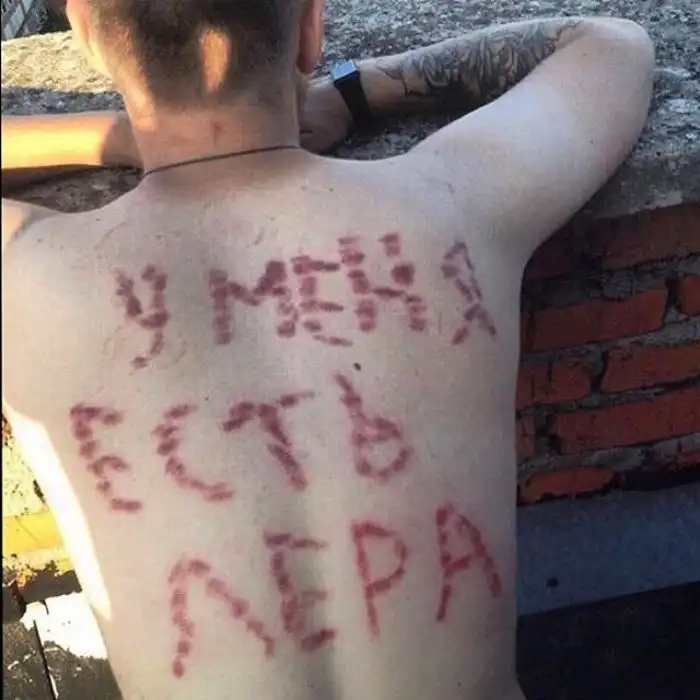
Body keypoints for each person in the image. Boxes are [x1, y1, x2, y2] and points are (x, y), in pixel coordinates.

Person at [2, 1, 655, 699]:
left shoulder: (27, 275)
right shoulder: (450, 203)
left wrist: (122, 137)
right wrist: (349, 94)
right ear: (311, 29)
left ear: (86, 33)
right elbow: (611, 45)